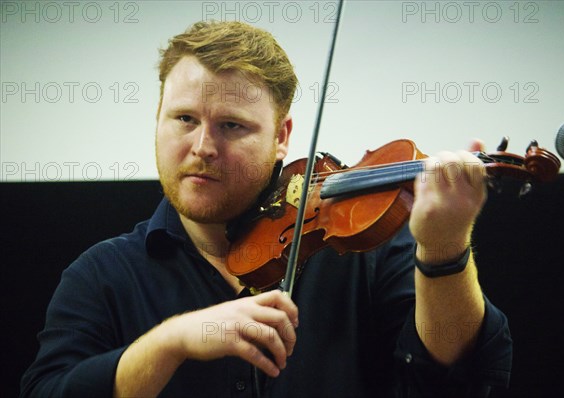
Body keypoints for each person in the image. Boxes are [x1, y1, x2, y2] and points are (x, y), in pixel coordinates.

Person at [20, 21, 512, 397]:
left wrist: (445, 248)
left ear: (281, 138)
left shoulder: (368, 246)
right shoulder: (102, 274)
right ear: (158, 119)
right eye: (185, 119)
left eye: (232, 126)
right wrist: (170, 342)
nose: (202, 146)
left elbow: (460, 377)